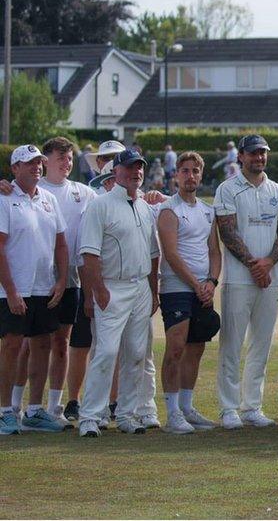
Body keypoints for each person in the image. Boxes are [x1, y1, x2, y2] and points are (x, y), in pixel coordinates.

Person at [76, 148, 159, 437]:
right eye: (130, 168)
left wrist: (154, 291)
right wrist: (98, 290)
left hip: (140, 287)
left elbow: (152, 253)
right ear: (116, 171)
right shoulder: (101, 205)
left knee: (137, 352)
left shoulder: (146, 207)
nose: (136, 172)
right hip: (111, 286)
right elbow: (89, 254)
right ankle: (90, 416)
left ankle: (127, 414)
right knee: (107, 351)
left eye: (140, 168)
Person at [213, 135, 278, 429]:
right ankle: (229, 408)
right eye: (254, 153)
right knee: (232, 344)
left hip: (270, 279)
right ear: (241, 157)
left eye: (263, 153)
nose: (259, 158)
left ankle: (252, 406)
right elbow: (228, 231)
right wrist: (253, 266)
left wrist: (268, 263)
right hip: (238, 279)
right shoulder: (227, 189)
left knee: (262, 344)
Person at [0, 145, 69, 435]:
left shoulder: (49, 199)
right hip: (14, 290)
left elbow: (61, 243)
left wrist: (62, 279)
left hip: (44, 287)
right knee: (12, 346)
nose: (36, 167)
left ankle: (35, 410)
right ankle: (5, 412)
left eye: (39, 163)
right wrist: (12, 291)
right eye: (29, 164)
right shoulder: (4, 199)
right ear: (15, 169)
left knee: (43, 344)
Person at [156, 152, 222, 434]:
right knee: (175, 347)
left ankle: (186, 407)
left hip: (202, 290)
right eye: (185, 170)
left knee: (196, 347)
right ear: (176, 175)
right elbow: (170, 254)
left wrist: (211, 282)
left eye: (195, 171)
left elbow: (214, 252)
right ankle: (171, 414)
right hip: (177, 289)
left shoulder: (208, 211)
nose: (190, 175)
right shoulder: (169, 210)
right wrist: (196, 284)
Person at [36, 137, 97, 426]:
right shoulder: (34, 190)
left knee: (62, 342)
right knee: (31, 344)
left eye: (69, 157)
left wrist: (152, 198)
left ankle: (54, 406)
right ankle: (16, 405)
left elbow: (113, 202)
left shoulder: (83, 192)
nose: (67, 162)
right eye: (60, 157)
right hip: (37, 280)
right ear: (45, 160)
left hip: (71, 278)